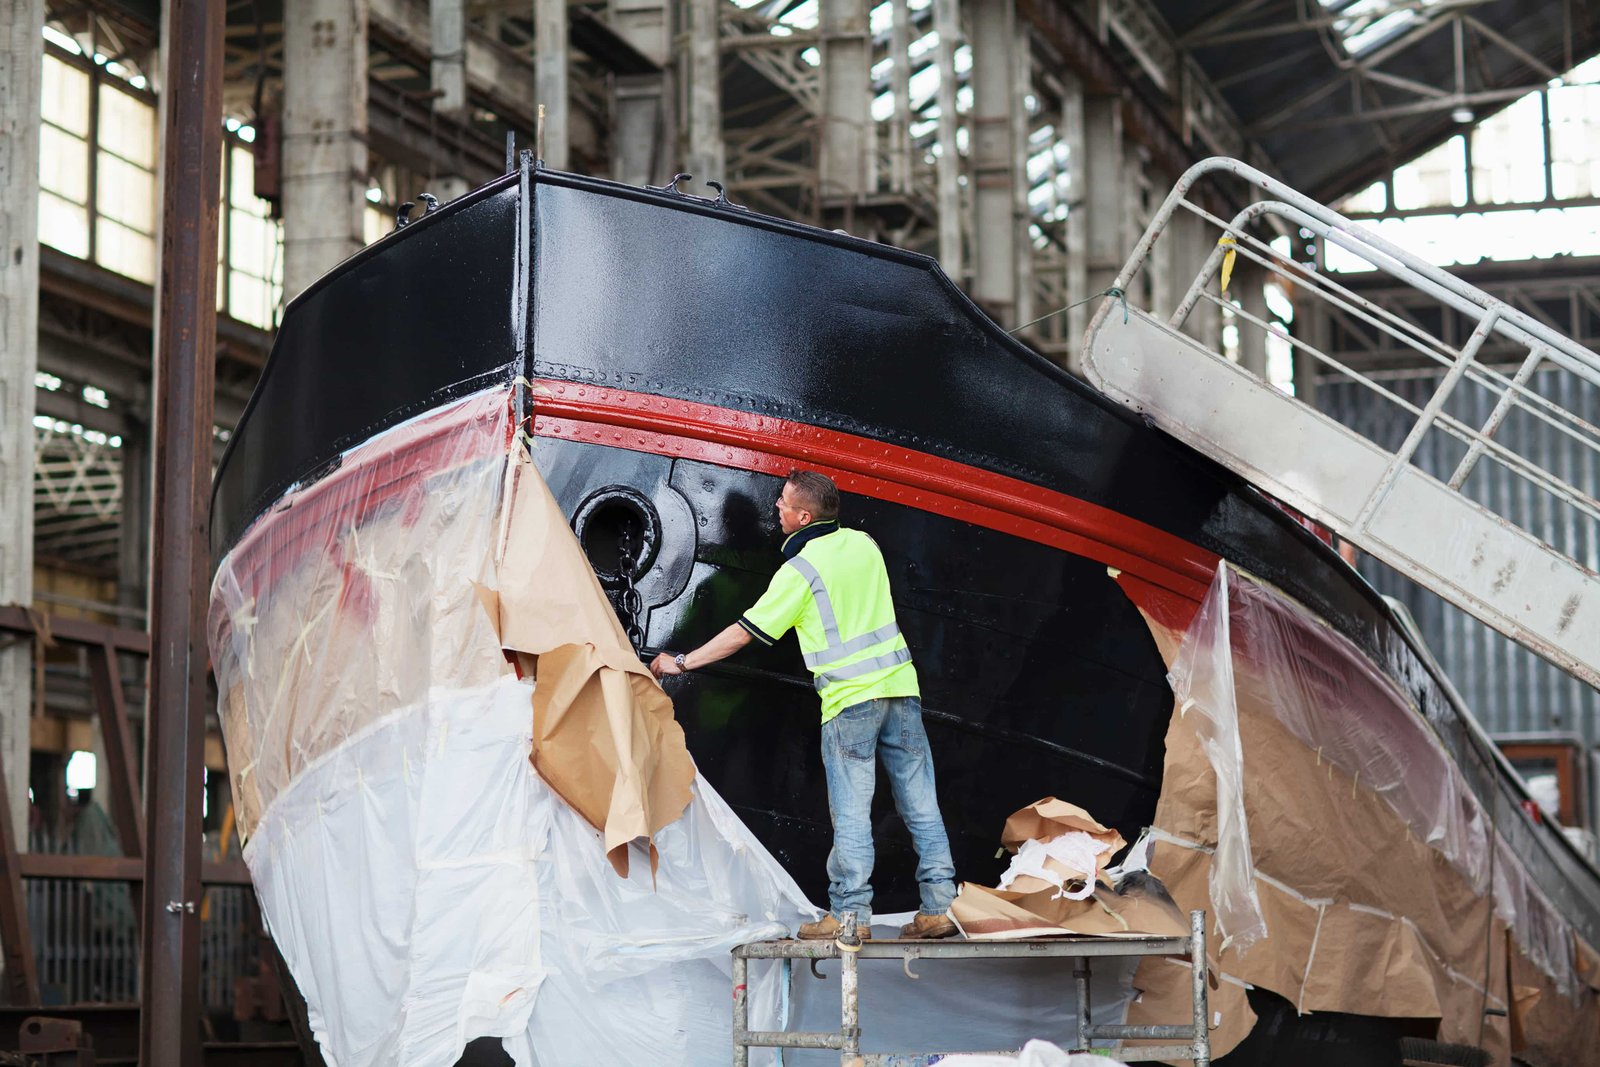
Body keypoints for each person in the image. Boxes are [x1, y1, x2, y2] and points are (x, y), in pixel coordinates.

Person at [651, 470, 959, 940]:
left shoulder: (800, 571)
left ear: (803, 515)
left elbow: (747, 632)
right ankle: (941, 906)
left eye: (783, 503)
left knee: (852, 810)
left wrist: (684, 660)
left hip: (850, 701)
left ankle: (850, 917)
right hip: (902, 691)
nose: (775, 508)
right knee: (920, 801)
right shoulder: (864, 544)